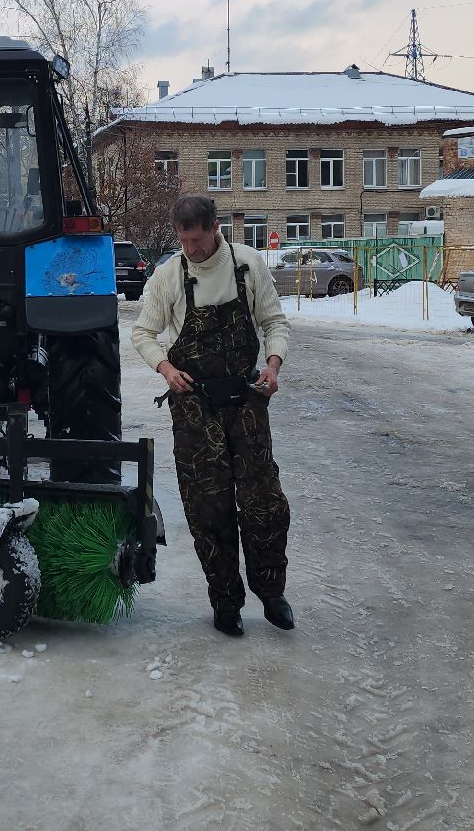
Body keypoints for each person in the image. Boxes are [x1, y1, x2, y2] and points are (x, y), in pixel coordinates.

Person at [132, 195, 295, 637]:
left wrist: (273, 365)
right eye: (183, 240)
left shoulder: (246, 265)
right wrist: (165, 368)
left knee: (264, 503)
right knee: (209, 509)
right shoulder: (169, 276)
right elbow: (143, 333)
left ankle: (272, 592)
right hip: (194, 407)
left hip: (246, 400)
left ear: (215, 228)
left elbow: (275, 322)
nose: (191, 248)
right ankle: (225, 603)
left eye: (197, 239)